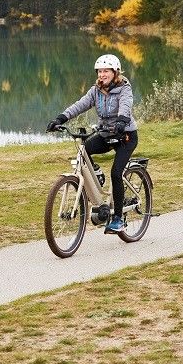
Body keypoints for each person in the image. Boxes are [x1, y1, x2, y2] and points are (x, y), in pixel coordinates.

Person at [47, 53, 138, 234]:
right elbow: (79, 105)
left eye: (106, 71)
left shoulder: (124, 88)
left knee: (116, 172)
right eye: (99, 71)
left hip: (124, 135)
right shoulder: (96, 90)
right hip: (105, 133)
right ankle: (96, 173)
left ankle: (118, 219)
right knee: (85, 149)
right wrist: (60, 119)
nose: (102, 75)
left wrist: (121, 121)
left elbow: (125, 106)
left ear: (115, 72)